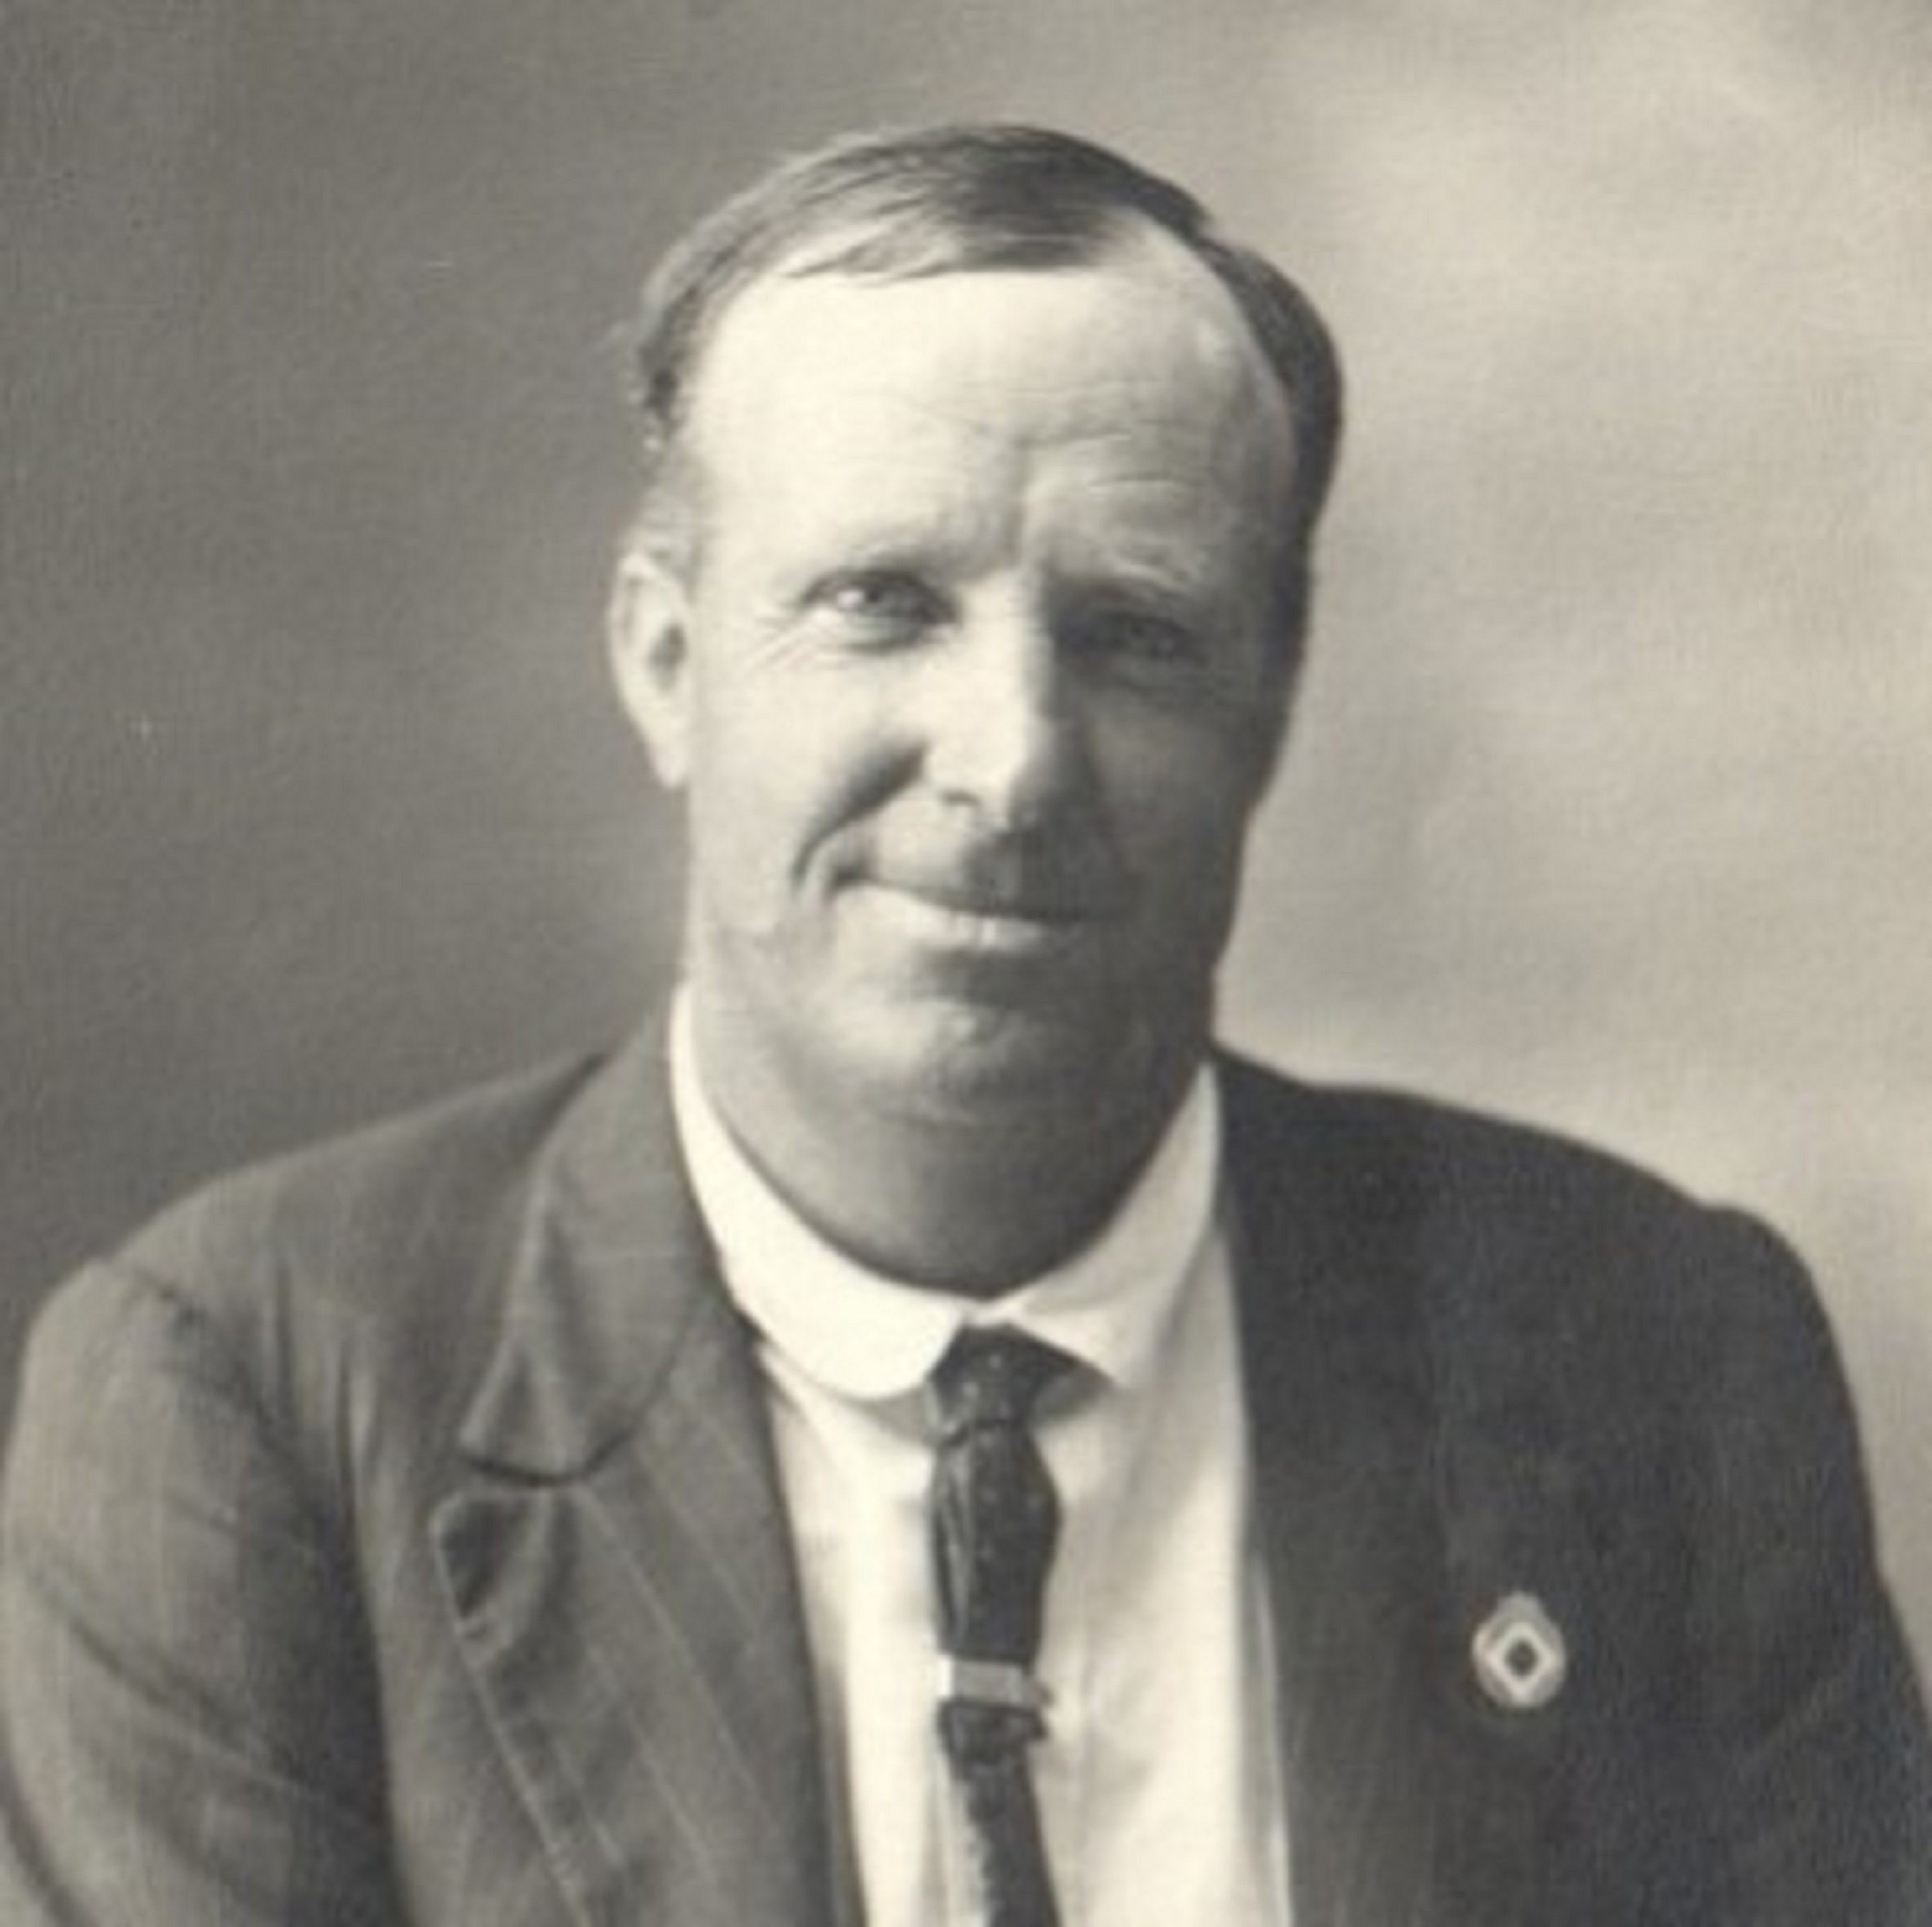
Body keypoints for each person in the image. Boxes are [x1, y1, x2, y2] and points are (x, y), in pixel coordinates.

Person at [1, 123, 1926, 1927]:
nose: (1011, 762)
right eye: (881, 602)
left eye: (1136, 631)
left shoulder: (1657, 1356)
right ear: (666, 663)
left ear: (1270, 703)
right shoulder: (248, 1402)